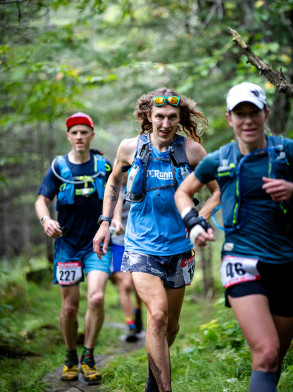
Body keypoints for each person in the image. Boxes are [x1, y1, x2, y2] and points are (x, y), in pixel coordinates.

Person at [92, 88, 220, 392]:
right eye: (159, 116)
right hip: (140, 247)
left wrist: (198, 218)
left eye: (171, 117)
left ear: (180, 118)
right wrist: (106, 222)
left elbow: (217, 190)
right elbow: (113, 183)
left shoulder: (192, 151)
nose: (165, 123)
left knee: (169, 327)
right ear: (148, 116)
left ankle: (154, 374)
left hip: (180, 248)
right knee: (158, 314)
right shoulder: (129, 148)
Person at [175, 82, 293, 392]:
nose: (247, 120)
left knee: (274, 357)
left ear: (266, 113)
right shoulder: (219, 159)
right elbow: (183, 193)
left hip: (285, 262)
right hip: (240, 259)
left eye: (253, 112)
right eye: (240, 114)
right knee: (266, 354)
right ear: (230, 119)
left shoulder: (286, 150)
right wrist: (194, 223)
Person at [35, 112, 121, 383]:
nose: (80, 137)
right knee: (70, 308)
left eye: (84, 132)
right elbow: (41, 200)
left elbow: (115, 189)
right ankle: (70, 355)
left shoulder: (103, 165)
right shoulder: (58, 167)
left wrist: (115, 217)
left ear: (92, 135)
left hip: (97, 243)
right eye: (75, 132)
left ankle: (89, 355)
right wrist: (46, 219)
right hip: (68, 245)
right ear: (68, 136)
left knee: (96, 298)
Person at [110, 176, 143, 343]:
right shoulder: (111, 188)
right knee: (126, 283)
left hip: (138, 242)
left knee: (138, 283)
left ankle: (138, 309)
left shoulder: (140, 184)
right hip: (117, 243)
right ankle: (130, 324)